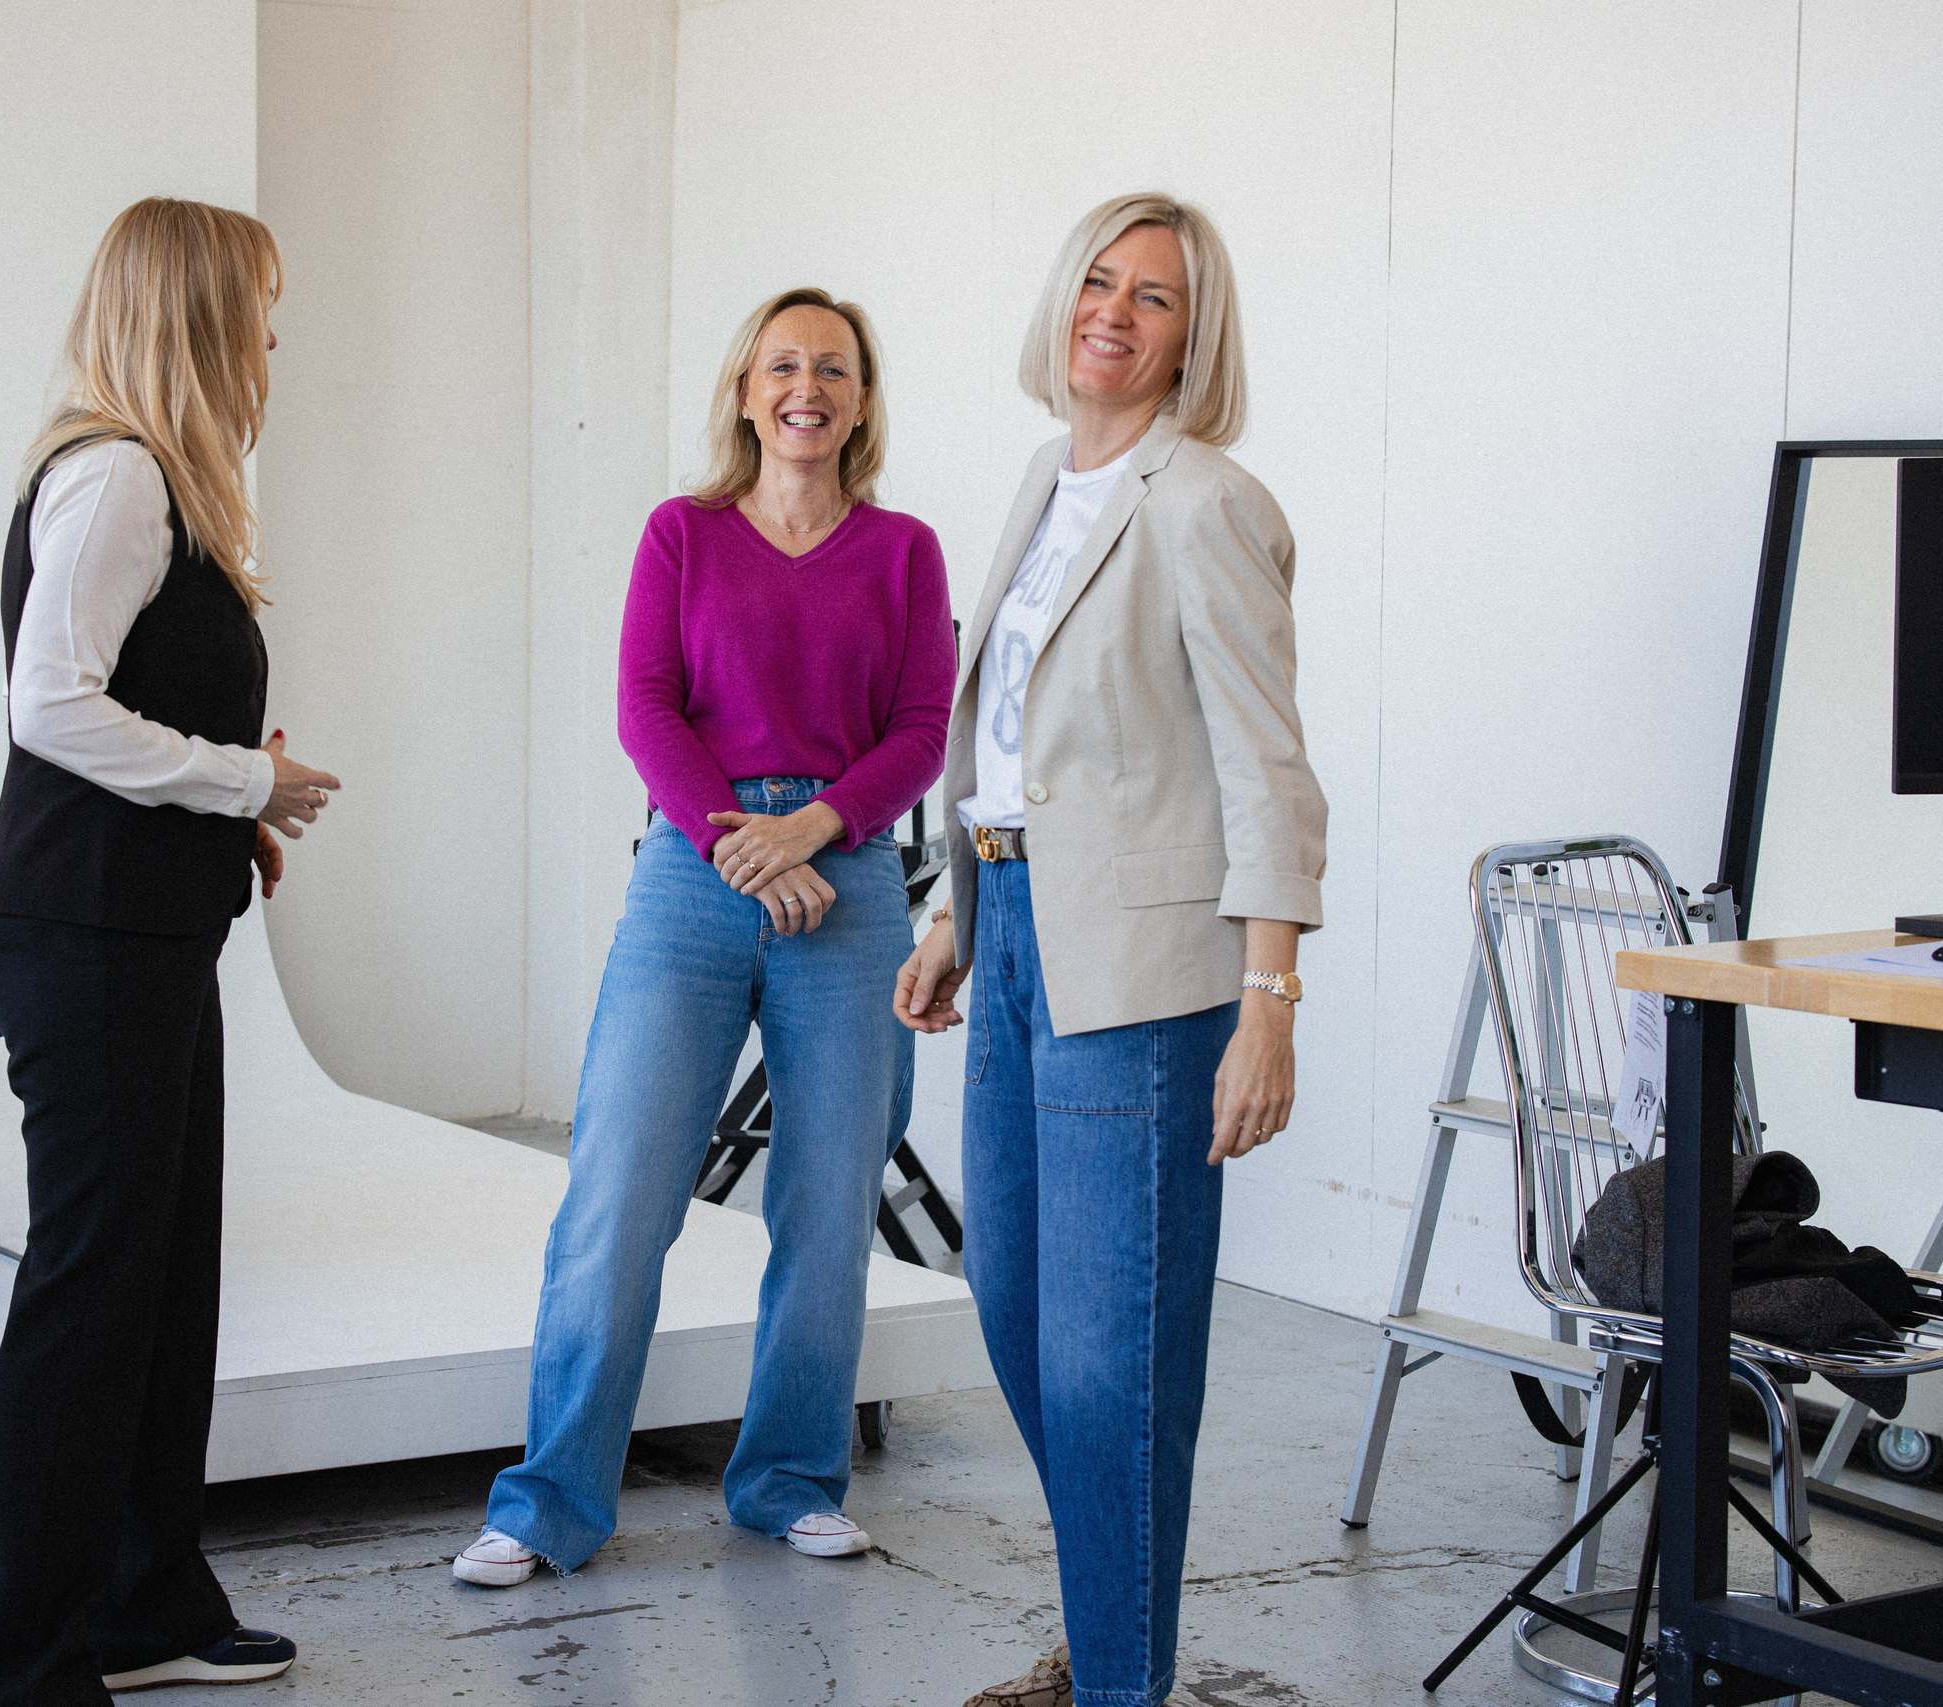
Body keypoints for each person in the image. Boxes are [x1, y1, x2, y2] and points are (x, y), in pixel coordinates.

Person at [895, 195, 1327, 1707]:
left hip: (1142, 976)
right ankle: (1108, 1640)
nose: (1115, 312)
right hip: (1012, 930)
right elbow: (1023, 745)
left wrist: (1269, 999)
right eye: (1098, 280)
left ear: (1189, 343)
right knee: (1014, 1312)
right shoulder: (1043, 477)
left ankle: (1119, 1682)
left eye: (1155, 298)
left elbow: (1265, 769)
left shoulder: (1206, 500)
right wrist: (961, 909)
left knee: (1112, 1360)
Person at [454, 287, 956, 1588]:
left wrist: (816, 832)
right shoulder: (682, 535)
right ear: (744, 391)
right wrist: (743, 841)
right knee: (618, 1190)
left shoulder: (905, 552)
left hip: (846, 887)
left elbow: (919, 728)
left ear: (861, 397)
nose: (807, 388)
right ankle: (549, 1499)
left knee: (829, 1197)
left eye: (833, 369)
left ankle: (789, 1479)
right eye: (782, 366)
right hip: (694, 873)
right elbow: (646, 705)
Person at [0, 197, 343, 1706]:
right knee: (93, 1292)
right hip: (91, 942)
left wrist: (215, 813)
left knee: (166, 1283)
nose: (268, 342)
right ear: (191, 316)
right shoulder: (116, 474)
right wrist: (245, 781)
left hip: (148, 928)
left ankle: (140, 1603)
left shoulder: (157, 482)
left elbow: (127, 717)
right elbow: (50, 706)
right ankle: (20, 1672)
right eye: (256, 310)